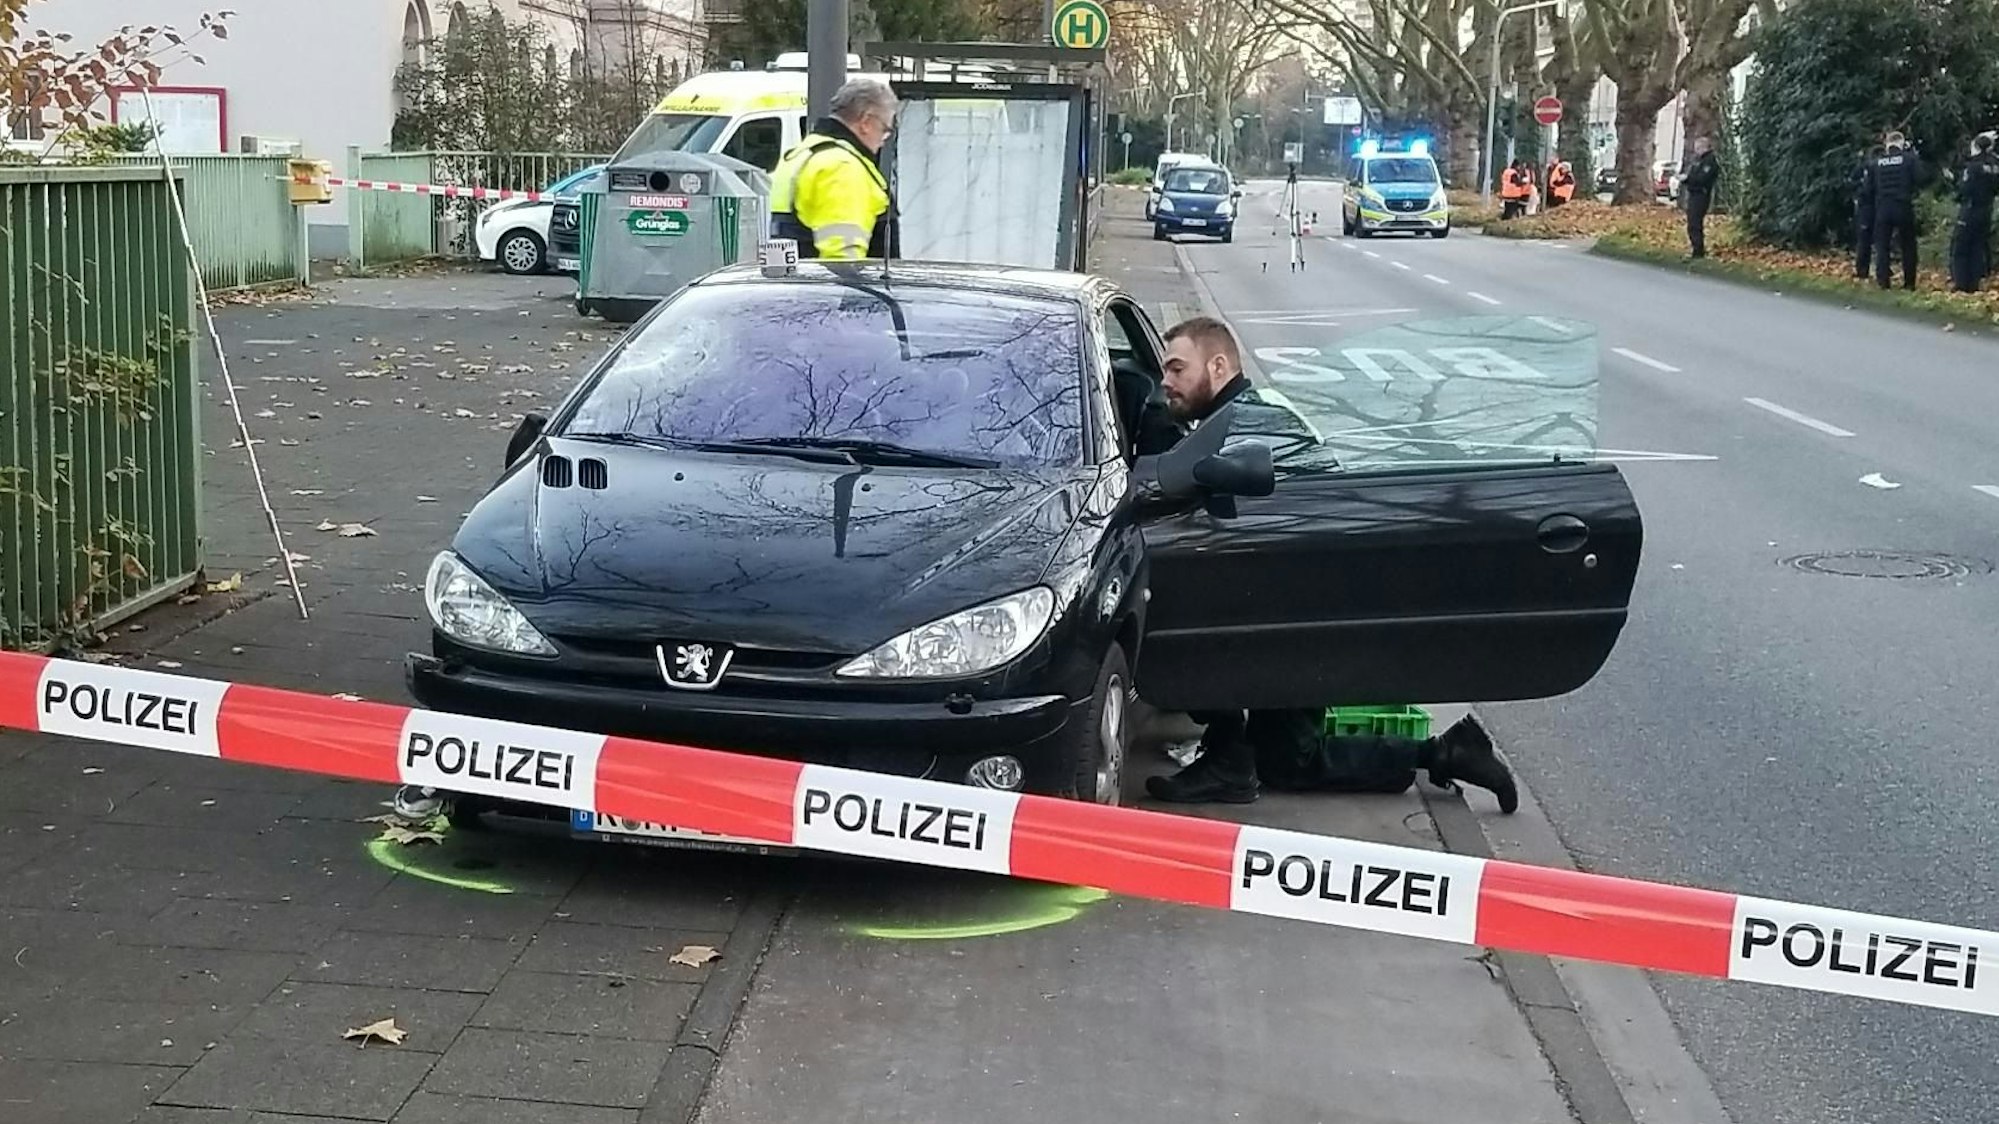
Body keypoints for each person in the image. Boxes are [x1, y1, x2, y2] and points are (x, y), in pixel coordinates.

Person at [1138, 316, 1520, 814]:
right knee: (1287, 761)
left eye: (1176, 368)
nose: (1165, 380)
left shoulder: (1254, 421)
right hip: (1300, 599)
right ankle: (1444, 753)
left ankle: (1233, 759)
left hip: (1303, 613)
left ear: (1217, 365)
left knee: (1199, 610)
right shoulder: (1243, 413)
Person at [767, 77, 901, 260]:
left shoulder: (801, 155)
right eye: (885, 129)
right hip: (839, 287)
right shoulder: (842, 167)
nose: (884, 139)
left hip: (797, 283)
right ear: (866, 121)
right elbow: (843, 262)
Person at [1947, 132, 1998, 293]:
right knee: (1977, 247)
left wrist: (1954, 182)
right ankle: (1974, 284)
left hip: (1970, 209)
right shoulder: (1995, 165)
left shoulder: (1973, 166)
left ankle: (1961, 284)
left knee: (1960, 247)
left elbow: (1964, 189)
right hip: (1986, 210)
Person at [1871, 131, 1921, 290]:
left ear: (1887, 144)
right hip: (1903, 205)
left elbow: (1870, 186)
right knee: (1908, 246)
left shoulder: (1877, 162)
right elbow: (1920, 178)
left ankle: (1883, 282)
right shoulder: (1909, 159)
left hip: (1883, 207)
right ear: (1902, 143)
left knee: (1882, 245)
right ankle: (1909, 283)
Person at [1681, 137, 1721, 259]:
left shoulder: (1709, 161)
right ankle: (1696, 248)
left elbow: (1702, 179)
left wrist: (1687, 179)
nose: (1696, 151)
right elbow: (1693, 175)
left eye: (1698, 148)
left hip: (1701, 195)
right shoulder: (1699, 160)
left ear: (1704, 147)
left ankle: (1698, 250)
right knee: (1692, 222)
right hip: (1694, 194)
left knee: (1695, 222)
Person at [1852, 145, 1881, 280]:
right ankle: (1875, 269)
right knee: (1879, 240)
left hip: (1865, 207)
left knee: (1865, 239)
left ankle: (1862, 269)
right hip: (1873, 206)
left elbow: (1853, 184)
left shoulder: (1862, 168)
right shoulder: (1872, 169)